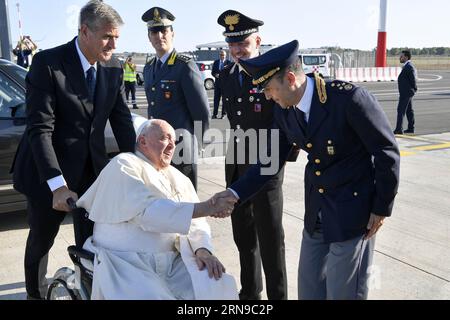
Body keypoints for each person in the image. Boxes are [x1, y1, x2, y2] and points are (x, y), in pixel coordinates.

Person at [213, 40, 400, 299]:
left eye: (268, 88)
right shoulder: (285, 111)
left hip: (353, 214)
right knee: (309, 291)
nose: (267, 96)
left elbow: (386, 152)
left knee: (343, 293)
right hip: (316, 214)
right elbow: (270, 161)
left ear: (290, 78)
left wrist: (381, 208)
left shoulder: (347, 99)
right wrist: (234, 193)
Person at [10, 0, 136, 300]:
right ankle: (35, 295)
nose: (113, 44)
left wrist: (139, 167)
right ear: (84, 31)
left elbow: (122, 123)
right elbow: (40, 128)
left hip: (91, 173)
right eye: (107, 36)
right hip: (48, 174)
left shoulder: (114, 67)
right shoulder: (48, 64)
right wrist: (57, 185)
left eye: (117, 37)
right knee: (42, 240)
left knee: (92, 244)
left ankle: (90, 293)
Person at [77, 119, 238, 300]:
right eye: (164, 138)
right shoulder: (124, 164)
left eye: (174, 141)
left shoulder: (178, 177)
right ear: (143, 141)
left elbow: (197, 222)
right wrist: (208, 207)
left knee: (217, 285)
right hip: (126, 263)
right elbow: (147, 213)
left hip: (172, 262)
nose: (171, 145)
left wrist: (202, 249)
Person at [215, 10, 299, 300]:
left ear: (258, 41)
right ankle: (250, 294)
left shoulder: (269, 74)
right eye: (232, 44)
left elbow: (285, 123)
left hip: (266, 169)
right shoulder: (225, 74)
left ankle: (278, 297)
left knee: (271, 239)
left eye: (243, 43)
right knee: (243, 237)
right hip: (236, 162)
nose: (238, 50)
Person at [142, 7, 210, 190]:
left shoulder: (184, 65)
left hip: (180, 149)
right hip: (156, 150)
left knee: (184, 204)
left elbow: (201, 112)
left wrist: (197, 145)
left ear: (172, 33)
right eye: (154, 31)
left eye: (163, 30)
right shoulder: (149, 68)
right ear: (149, 37)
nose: (159, 36)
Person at [394, 50, 417, 135]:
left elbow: (413, 80)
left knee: (400, 110)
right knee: (409, 110)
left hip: (406, 93)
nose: (400, 57)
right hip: (407, 92)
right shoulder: (406, 66)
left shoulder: (409, 67)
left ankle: (399, 129)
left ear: (406, 57)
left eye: (401, 56)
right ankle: (411, 128)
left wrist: (414, 89)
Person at [211, 50, 231, 119]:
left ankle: (223, 114)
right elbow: (212, 72)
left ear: (225, 55)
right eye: (221, 55)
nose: (222, 56)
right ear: (219, 55)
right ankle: (214, 114)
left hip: (225, 84)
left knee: (224, 100)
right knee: (216, 99)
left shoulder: (228, 63)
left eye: (223, 55)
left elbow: (230, 73)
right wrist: (215, 75)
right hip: (217, 84)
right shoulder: (216, 62)